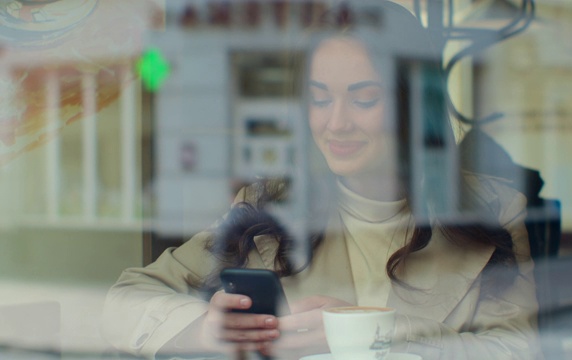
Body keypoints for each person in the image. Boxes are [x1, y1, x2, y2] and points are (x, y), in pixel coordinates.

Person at [101, 1, 540, 359]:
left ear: (411, 103)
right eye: (318, 98)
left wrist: (365, 334)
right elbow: (127, 298)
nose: (336, 123)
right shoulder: (265, 206)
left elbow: (516, 350)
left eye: (364, 98)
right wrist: (201, 329)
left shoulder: (494, 208)